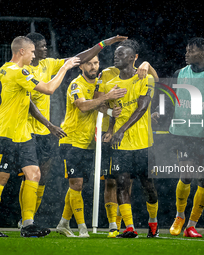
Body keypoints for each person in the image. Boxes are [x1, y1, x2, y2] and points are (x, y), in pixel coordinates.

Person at [15, 33, 128, 228]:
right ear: (28, 49)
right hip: (25, 129)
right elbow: (30, 102)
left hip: (46, 133)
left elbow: (79, 57)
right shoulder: (19, 70)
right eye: (39, 47)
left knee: (42, 177)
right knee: (27, 175)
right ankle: (26, 220)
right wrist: (50, 124)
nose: (44, 49)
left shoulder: (48, 64)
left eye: (44, 46)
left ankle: (44, 220)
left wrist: (103, 43)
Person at [0, 36, 79, 238]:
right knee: (0, 177)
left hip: (23, 133)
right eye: (32, 52)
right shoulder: (18, 72)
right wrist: (65, 67)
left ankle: (27, 224)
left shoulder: (3, 69)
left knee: (34, 174)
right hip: (7, 133)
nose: (34, 55)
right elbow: (49, 89)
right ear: (21, 52)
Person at [55, 55, 127, 238]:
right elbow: (83, 106)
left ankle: (63, 223)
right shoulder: (75, 85)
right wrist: (108, 97)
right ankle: (82, 228)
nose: (94, 66)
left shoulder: (97, 85)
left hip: (88, 143)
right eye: (89, 63)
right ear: (81, 67)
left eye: (96, 62)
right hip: (71, 140)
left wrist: (111, 111)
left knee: (77, 186)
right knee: (76, 184)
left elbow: (98, 107)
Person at [95, 58, 159, 238]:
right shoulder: (110, 83)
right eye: (116, 54)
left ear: (134, 58)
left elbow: (142, 107)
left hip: (143, 143)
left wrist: (121, 130)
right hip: (120, 143)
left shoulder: (144, 77)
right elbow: (114, 110)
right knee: (121, 184)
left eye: (122, 54)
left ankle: (153, 221)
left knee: (149, 187)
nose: (117, 57)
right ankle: (129, 227)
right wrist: (111, 128)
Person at [168, 37, 204, 238]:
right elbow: (171, 100)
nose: (187, 53)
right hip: (184, 134)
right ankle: (179, 216)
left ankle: (192, 224)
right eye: (187, 49)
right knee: (186, 175)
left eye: (192, 50)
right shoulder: (179, 74)